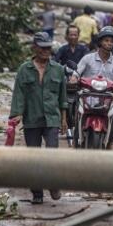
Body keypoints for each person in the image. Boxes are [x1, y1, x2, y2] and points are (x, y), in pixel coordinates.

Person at [9, 32, 68, 204]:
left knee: (51, 154)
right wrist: (16, 114)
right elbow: (18, 94)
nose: (45, 51)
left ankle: (53, 183)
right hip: (32, 118)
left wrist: (64, 119)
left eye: (48, 48)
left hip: (52, 119)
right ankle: (37, 193)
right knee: (33, 157)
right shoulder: (24, 69)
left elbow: (62, 97)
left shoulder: (58, 69)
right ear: (34, 48)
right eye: (42, 47)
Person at [74, 26, 113, 148]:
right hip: (87, 95)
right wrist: (74, 79)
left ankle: (109, 142)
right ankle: (76, 139)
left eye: (111, 41)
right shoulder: (88, 58)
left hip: (105, 97)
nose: (109, 43)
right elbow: (77, 72)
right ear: (100, 42)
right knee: (77, 110)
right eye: (106, 40)